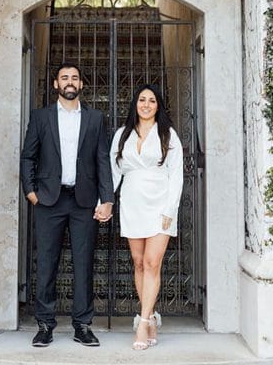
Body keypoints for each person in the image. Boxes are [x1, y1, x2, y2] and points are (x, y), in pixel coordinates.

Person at [20, 62, 114, 348]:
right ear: (55, 84)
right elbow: (28, 157)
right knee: (47, 263)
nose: (70, 82)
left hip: (84, 201)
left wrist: (107, 199)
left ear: (82, 85)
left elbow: (102, 160)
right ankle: (45, 325)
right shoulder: (40, 117)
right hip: (49, 199)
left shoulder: (96, 118)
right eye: (64, 78)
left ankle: (82, 325)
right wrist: (31, 191)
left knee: (83, 264)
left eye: (74, 78)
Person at [110, 83, 183, 351]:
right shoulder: (122, 134)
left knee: (153, 262)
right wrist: (105, 202)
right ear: (135, 104)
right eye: (142, 100)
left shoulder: (168, 135)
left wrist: (170, 209)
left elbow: (176, 174)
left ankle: (142, 322)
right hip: (131, 204)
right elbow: (114, 172)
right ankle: (151, 315)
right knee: (139, 262)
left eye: (152, 100)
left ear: (158, 106)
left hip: (160, 204)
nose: (146, 104)